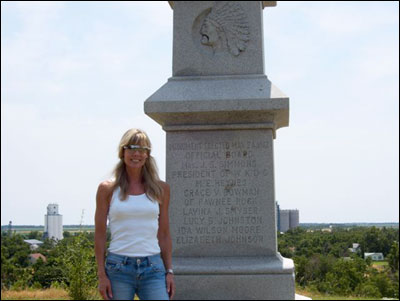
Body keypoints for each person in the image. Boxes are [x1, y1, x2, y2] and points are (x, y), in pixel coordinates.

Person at [95, 128, 175, 300]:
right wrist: (102, 275)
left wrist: (169, 271)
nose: (136, 154)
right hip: (118, 269)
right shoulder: (107, 189)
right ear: (123, 152)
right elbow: (100, 234)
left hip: (153, 268)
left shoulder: (161, 189)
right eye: (131, 148)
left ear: (147, 155)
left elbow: (164, 234)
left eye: (142, 149)